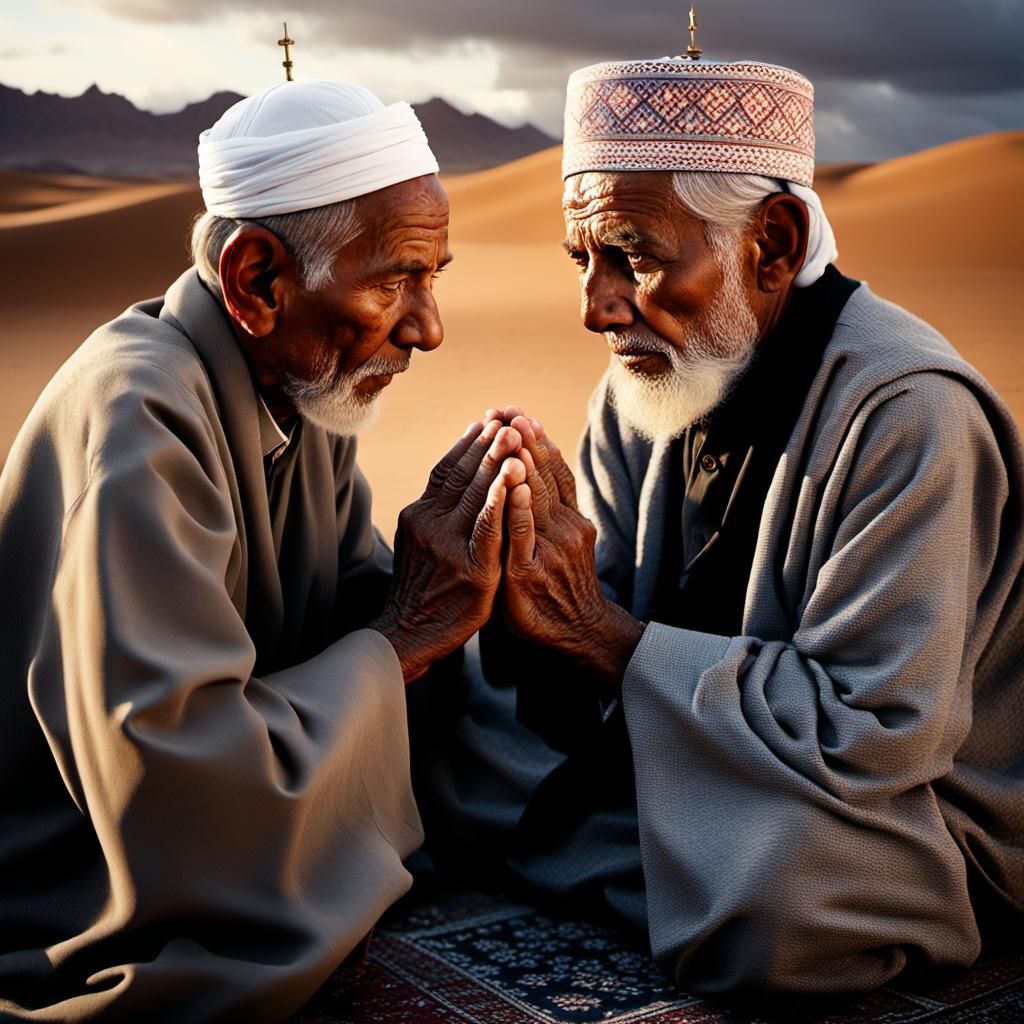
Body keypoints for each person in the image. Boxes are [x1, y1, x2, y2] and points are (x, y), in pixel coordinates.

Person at [409, 57, 1024, 996]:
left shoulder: (907, 415)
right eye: (584, 262)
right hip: (695, 765)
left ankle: (646, 861)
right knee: (444, 734)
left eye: (636, 258)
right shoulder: (640, 391)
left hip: (901, 812)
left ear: (771, 244)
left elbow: (877, 738)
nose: (596, 308)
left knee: (781, 901)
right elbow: (588, 659)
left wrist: (604, 638)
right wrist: (518, 587)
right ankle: (665, 864)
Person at [0, 80, 526, 1021]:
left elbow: (356, 622)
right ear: (255, 282)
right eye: (394, 278)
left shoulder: (302, 394)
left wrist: (489, 581)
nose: (427, 328)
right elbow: (177, 794)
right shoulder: (141, 418)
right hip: (72, 884)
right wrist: (406, 634)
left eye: (433, 277)